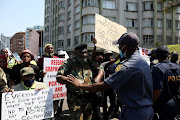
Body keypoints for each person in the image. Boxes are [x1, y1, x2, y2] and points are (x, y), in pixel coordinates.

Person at [67, 32, 154, 120]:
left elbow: (103, 86)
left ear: (125, 47)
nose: (118, 47)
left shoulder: (128, 66)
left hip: (134, 112)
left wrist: (79, 85)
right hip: (144, 109)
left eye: (119, 45)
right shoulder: (142, 61)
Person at [56, 44, 104, 120]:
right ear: (76, 53)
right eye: (82, 53)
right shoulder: (69, 63)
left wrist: (97, 79)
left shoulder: (89, 61)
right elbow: (59, 77)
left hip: (88, 97)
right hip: (74, 98)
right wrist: (71, 80)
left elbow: (100, 69)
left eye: (86, 52)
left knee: (88, 117)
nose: (85, 55)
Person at [152, 45, 180, 120]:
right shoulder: (178, 68)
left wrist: (150, 103)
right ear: (168, 55)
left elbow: (157, 90)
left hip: (163, 106)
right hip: (176, 103)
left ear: (156, 55)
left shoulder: (158, 68)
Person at [102, 50, 117, 120]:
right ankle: (105, 116)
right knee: (104, 103)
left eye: (110, 54)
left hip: (112, 86)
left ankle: (108, 114)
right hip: (103, 86)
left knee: (114, 103)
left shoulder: (114, 64)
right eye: (107, 54)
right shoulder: (101, 64)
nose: (108, 56)